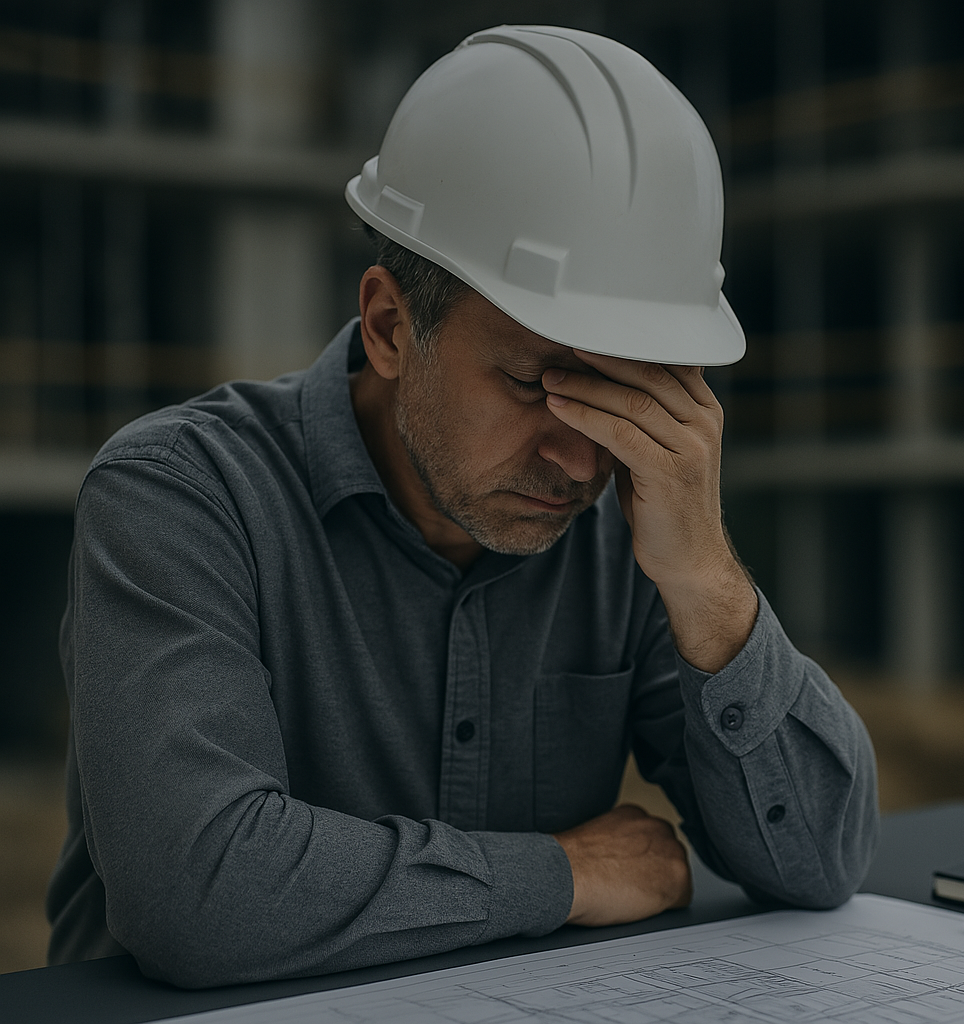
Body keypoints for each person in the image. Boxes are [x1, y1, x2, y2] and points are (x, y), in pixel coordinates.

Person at [46, 26, 879, 988]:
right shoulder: (181, 497)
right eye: (536, 386)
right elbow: (198, 891)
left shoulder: (631, 530)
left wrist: (708, 585)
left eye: (624, 403)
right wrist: (562, 875)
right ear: (392, 324)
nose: (578, 457)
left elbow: (821, 865)